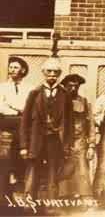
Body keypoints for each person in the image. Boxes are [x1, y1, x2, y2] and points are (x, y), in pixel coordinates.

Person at [19, 57, 73, 201]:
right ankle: (29, 202)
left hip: (55, 140)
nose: (52, 74)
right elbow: (25, 122)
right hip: (36, 140)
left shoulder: (65, 94)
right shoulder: (34, 93)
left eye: (55, 72)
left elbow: (69, 123)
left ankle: (51, 204)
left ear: (59, 74)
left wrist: (67, 144)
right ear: (43, 72)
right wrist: (24, 146)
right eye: (49, 71)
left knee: (53, 173)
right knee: (33, 172)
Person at [58, 74, 96, 202]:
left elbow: (91, 124)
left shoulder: (84, 102)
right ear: (64, 86)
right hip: (62, 141)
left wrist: (91, 145)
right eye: (70, 86)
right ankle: (62, 198)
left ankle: (86, 198)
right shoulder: (58, 101)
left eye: (76, 86)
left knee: (82, 168)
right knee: (63, 168)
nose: (73, 89)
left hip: (80, 140)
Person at [0, 56, 32, 203]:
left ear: (23, 70)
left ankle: (17, 173)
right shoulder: (2, 87)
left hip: (22, 122)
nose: (12, 70)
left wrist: (15, 107)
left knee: (22, 143)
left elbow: (28, 107)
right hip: (6, 120)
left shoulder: (28, 88)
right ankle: (11, 172)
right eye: (11, 67)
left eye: (16, 67)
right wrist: (16, 109)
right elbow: (1, 106)